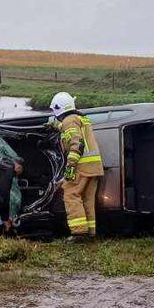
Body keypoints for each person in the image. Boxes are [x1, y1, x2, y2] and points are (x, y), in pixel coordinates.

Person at [49, 91, 104, 238]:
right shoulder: (81, 119)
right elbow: (72, 132)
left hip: (81, 166)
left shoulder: (69, 121)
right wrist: (57, 126)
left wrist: (69, 170)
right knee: (87, 199)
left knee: (71, 195)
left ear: (57, 108)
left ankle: (79, 233)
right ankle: (90, 232)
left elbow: (76, 144)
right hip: (94, 167)